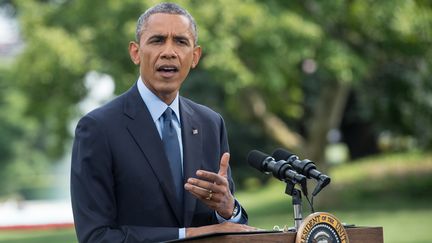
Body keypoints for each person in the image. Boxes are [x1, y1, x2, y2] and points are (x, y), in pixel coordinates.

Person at [71, 2, 256, 242]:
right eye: (157, 40)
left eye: (180, 42)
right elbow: (95, 236)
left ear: (195, 56)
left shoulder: (211, 123)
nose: (169, 51)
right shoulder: (98, 128)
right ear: (136, 52)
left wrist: (228, 209)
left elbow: (229, 228)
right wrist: (186, 235)